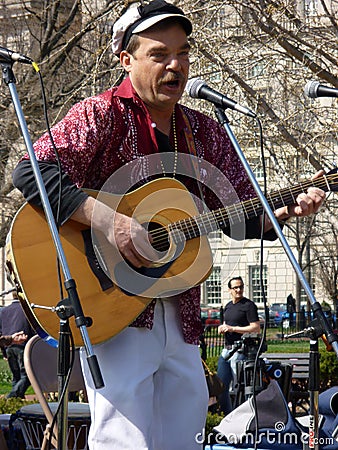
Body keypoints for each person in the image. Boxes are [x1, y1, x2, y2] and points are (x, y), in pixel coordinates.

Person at [11, 1, 325, 448]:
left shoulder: (203, 130)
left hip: (182, 308)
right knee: (124, 437)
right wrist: (113, 222)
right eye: (159, 54)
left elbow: (236, 214)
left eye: (182, 52)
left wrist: (284, 209)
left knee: (186, 431)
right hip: (113, 305)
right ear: (127, 60)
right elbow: (30, 171)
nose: (175, 64)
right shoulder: (101, 114)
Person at [216, 276, 260, 415]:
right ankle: (226, 414)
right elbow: (226, 324)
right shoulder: (228, 306)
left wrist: (233, 329)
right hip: (226, 350)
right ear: (230, 290)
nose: (239, 290)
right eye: (235, 287)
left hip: (240, 351)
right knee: (220, 385)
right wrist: (222, 328)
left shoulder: (248, 306)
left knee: (238, 387)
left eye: (241, 286)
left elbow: (255, 327)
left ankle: (244, 415)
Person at [1, 297, 35, 398]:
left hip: (9, 346)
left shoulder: (4, 310)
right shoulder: (26, 309)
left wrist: (4, 352)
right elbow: (33, 329)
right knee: (27, 375)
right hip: (23, 345)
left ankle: (16, 399)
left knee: (16, 376)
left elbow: (1, 332)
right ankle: (12, 397)